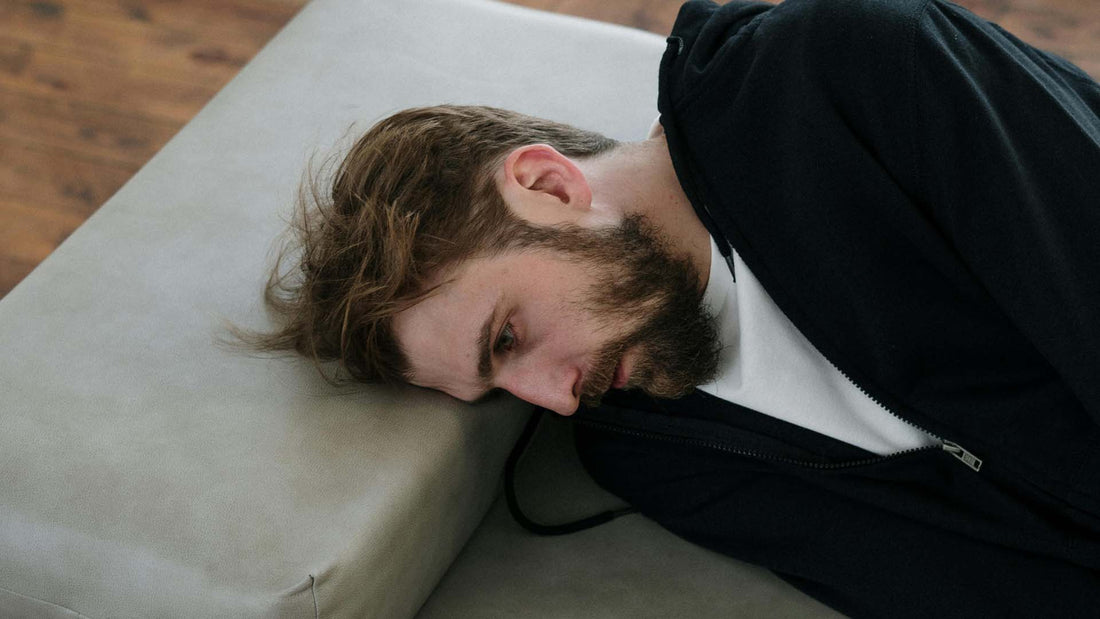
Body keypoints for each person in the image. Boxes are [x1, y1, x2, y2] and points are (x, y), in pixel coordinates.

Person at [247, 0, 1100, 615]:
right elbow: (944, 590)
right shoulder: (651, 452)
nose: (554, 397)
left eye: (508, 336)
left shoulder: (852, 73)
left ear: (548, 186)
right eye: (502, 387)